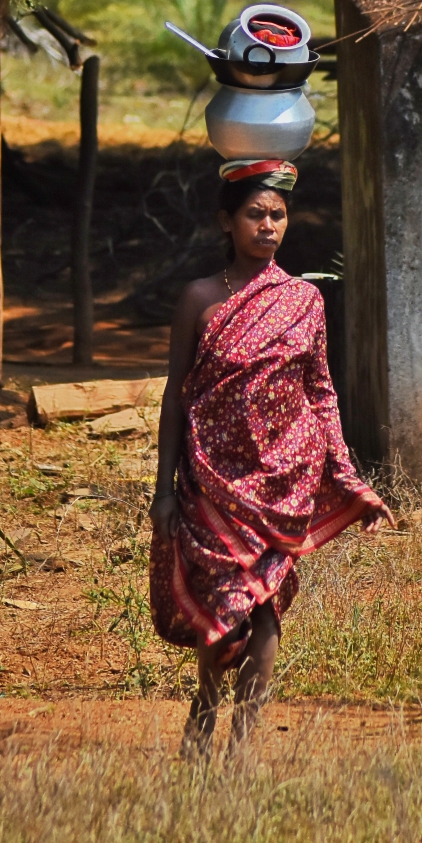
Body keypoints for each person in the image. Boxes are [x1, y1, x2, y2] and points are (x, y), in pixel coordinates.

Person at [149, 157, 394, 757]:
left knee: (264, 614)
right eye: (255, 214)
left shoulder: (305, 300)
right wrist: (162, 489)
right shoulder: (199, 300)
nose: (268, 225)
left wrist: (350, 479)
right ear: (226, 223)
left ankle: (238, 747)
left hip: (285, 486)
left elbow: (321, 394)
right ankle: (203, 718)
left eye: (277, 215)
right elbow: (175, 397)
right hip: (212, 482)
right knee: (225, 609)